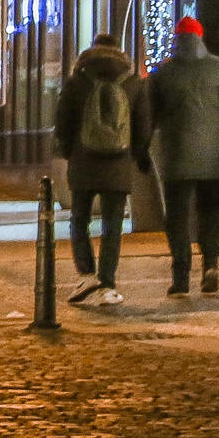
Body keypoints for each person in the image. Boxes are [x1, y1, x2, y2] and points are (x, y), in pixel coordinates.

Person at [148, 15, 219, 297]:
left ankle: (181, 276)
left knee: (178, 217)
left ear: (177, 39)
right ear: (200, 37)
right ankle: (211, 265)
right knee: (211, 213)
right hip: (213, 158)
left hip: (175, 158)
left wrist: (140, 150)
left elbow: (147, 117)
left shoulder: (163, 73)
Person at [53, 32, 153, 307]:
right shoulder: (133, 83)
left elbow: (62, 122)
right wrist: (138, 155)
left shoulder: (76, 82)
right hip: (118, 163)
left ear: (91, 50)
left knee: (79, 218)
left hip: (83, 161)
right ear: (119, 52)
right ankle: (107, 282)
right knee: (112, 223)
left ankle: (87, 274)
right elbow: (144, 126)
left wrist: (65, 150)